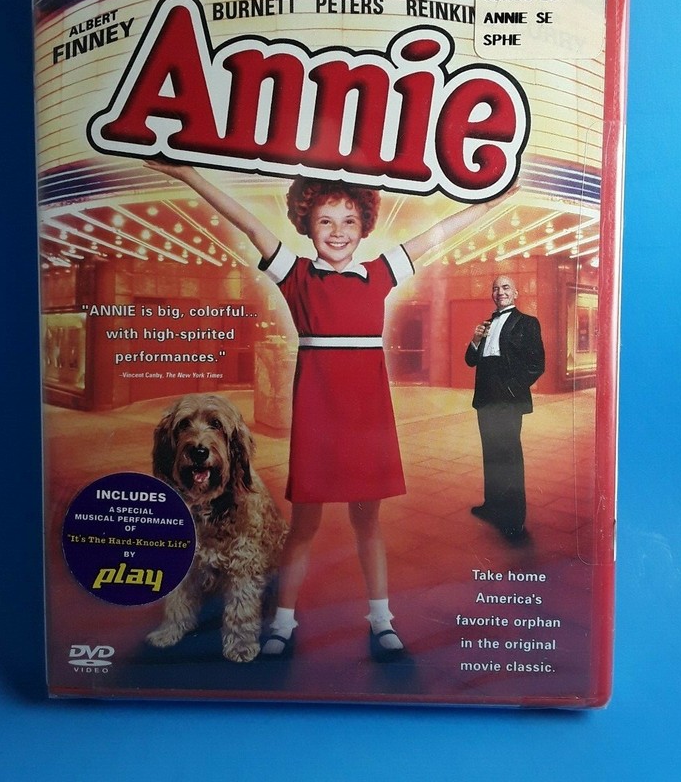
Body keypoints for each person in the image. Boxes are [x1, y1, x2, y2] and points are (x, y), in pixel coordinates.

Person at [148, 160, 500, 660]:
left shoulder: (379, 273)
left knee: (368, 524)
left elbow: (435, 234)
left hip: (368, 420)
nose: (338, 231)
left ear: (364, 225)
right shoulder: (295, 275)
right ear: (307, 224)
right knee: (303, 526)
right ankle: (283, 622)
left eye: (349, 220)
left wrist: (485, 203)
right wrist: (191, 177)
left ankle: (381, 619)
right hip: (318, 420)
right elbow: (249, 224)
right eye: (326, 221)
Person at [465, 275, 545, 540]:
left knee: (509, 457)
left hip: (508, 398)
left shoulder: (527, 323)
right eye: (496, 288)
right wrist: (475, 340)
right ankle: (492, 507)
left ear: (516, 293)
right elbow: (470, 361)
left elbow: (537, 364)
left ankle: (514, 520)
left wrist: (512, 388)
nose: (500, 292)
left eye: (506, 287)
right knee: (490, 454)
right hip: (485, 398)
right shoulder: (487, 324)